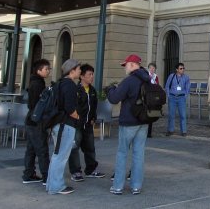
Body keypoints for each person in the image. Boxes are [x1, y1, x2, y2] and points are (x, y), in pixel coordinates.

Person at [107, 54, 151, 195]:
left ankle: (118, 186)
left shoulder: (129, 81)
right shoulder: (148, 79)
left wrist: (110, 89)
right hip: (143, 121)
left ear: (132, 65)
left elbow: (114, 98)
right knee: (139, 154)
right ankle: (136, 186)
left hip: (128, 121)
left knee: (122, 153)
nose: (124, 68)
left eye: (125, 65)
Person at [46, 58, 81, 195]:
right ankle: (56, 186)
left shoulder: (59, 83)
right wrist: (78, 117)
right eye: (78, 69)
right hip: (65, 124)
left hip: (58, 123)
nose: (80, 71)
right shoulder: (70, 85)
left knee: (57, 155)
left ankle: (52, 184)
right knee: (61, 156)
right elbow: (70, 108)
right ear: (72, 71)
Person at [68, 64, 105, 181]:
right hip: (77, 125)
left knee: (90, 148)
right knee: (74, 148)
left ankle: (91, 169)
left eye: (92, 74)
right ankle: (75, 172)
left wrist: (93, 118)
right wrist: (77, 119)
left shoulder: (92, 90)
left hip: (88, 125)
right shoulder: (76, 90)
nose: (92, 77)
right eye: (89, 74)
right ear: (82, 76)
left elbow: (94, 107)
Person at [22, 58, 51, 185]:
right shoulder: (38, 84)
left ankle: (28, 174)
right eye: (46, 69)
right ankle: (46, 177)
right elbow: (39, 104)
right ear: (39, 70)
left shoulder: (34, 82)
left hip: (31, 120)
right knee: (41, 149)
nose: (48, 71)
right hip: (36, 121)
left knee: (31, 149)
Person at [164, 62, 190, 137]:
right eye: (181, 68)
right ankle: (170, 130)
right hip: (172, 98)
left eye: (183, 68)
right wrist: (168, 95)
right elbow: (167, 86)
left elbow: (187, 87)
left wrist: (185, 95)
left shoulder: (186, 77)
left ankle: (184, 131)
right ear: (177, 69)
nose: (183, 70)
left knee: (183, 115)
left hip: (181, 98)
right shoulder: (171, 76)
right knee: (171, 115)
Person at [147, 62, 159, 138]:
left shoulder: (155, 76)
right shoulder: (146, 75)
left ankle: (149, 132)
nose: (152, 69)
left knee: (151, 114)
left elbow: (157, 86)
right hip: (146, 96)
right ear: (148, 68)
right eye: (151, 68)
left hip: (153, 97)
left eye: (153, 68)